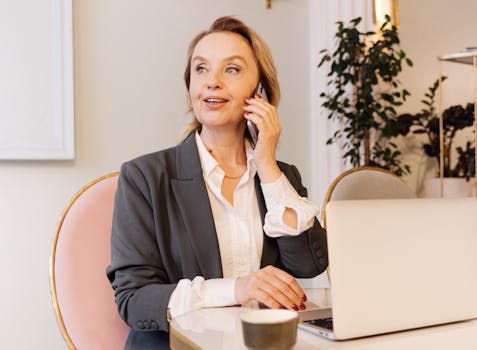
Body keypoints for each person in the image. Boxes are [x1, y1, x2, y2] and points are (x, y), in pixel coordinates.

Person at [107, 15, 328, 349]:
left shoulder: (282, 177)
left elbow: (310, 265)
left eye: (232, 69)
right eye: (201, 69)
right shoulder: (143, 177)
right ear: (191, 86)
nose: (212, 82)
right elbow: (135, 301)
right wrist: (237, 288)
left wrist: (267, 164)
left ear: (260, 91)